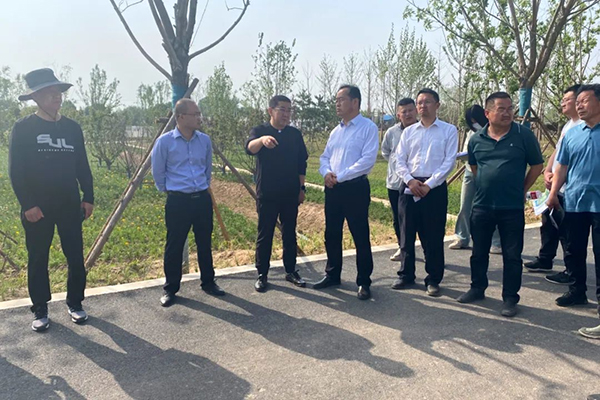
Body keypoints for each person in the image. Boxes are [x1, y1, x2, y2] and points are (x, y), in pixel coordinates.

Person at [9, 68, 94, 332]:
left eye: (58, 92)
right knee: (38, 258)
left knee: (75, 256)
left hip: (69, 204)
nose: (57, 96)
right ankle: (40, 308)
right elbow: (16, 171)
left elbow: (82, 165)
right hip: (38, 208)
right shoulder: (23, 128)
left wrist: (88, 196)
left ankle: (75, 302)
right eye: (50, 93)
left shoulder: (72, 128)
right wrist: (28, 205)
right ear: (36, 97)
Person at [458, 92, 544, 317]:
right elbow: (474, 167)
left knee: (512, 255)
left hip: (511, 207)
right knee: (478, 252)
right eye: (501, 109)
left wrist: (521, 189)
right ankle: (477, 288)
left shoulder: (523, 135)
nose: (507, 113)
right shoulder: (476, 139)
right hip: (482, 205)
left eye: (510, 108)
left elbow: (536, 166)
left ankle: (510, 298)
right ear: (487, 113)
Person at [152, 98, 225, 307]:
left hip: (201, 198)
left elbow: (207, 169)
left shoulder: (204, 141)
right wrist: (170, 190)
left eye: (199, 113)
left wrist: (201, 187)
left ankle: (208, 282)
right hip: (178, 201)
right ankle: (171, 288)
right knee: (174, 244)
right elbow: (158, 172)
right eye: (195, 114)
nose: (199, 118)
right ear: (181, 117)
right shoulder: (165, 142)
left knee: (204, 242)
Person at [390, 88, 458, 297]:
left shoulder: (448, 130)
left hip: (434, 189)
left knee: (433, 236)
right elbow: (399, 160)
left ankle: (433, 279)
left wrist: (429, 184)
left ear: (437, 105)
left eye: (427, 102)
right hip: (409, 186)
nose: (422, 106)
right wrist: (410, 181)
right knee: (406, 233)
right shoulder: (409, 132)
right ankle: (406, 274)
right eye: (419, 102)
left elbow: (449, 161)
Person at [314, 85, 379, 300]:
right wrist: (326, 173)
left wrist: (340, 176)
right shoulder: (336, 131)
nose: (337, 104)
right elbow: (324, 157)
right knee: (332, 233)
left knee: (360, 234)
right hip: (333, 189)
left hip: (355, 188)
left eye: (341, 99)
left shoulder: (368, 128)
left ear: (355, 102)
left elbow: (367, 160)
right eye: (336, 100)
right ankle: (333, 274)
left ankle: (364, 281)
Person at [547, 84, 600, 339]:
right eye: (577, 101)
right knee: (573, 250)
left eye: (584, 100)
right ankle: (577, 291)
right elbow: (562, 166)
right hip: (575, 201)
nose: (579, 105)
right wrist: (553, 193)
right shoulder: (572, 133)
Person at [245, 95, 309, 292]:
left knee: (289, 233)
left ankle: (291, 270)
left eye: (289, 110)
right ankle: (262, 274)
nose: (286, 114)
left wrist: (301, 188)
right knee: (265, 234)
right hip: (268, 193)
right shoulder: (260, 131)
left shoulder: (294, 134)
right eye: (282, 109)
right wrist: (261, 140)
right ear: (270, 111)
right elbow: (249, 148)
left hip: (290, 193)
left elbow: (301, 163)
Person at [525, 85, 583, 286]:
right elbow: (557, 152)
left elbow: (571, 161)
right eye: (562, 99)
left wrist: (558, 179)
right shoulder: (568, 125)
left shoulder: (583, 127)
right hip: (554, 185)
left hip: (567, 188)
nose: (563, 103)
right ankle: (545, 259)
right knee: (548, 224)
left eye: (567, 99)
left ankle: (570, 270)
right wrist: (548, 171)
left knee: (567, 231)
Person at [449, 105, 501, 253]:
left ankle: (496, 242)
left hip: (488, 174)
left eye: (476, 120)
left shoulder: (493, 132)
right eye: (471, 121)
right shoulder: (470, 133)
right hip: (469, 172)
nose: (474, 123)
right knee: (465, 205)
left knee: (492, 207)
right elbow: (466, 151)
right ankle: (462, 237)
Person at [381, 98, 418, 261]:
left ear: (416, 111)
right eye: (404, 111)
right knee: (398, 218)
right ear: (398, 115)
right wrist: (396, 165)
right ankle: (402, 247)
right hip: (395, 183)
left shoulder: (422, 130)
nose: (408, 114)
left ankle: (427, 250)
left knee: (420, 218)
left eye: (410, 110)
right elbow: (386, 152)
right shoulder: (391, 132)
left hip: (417, 182)